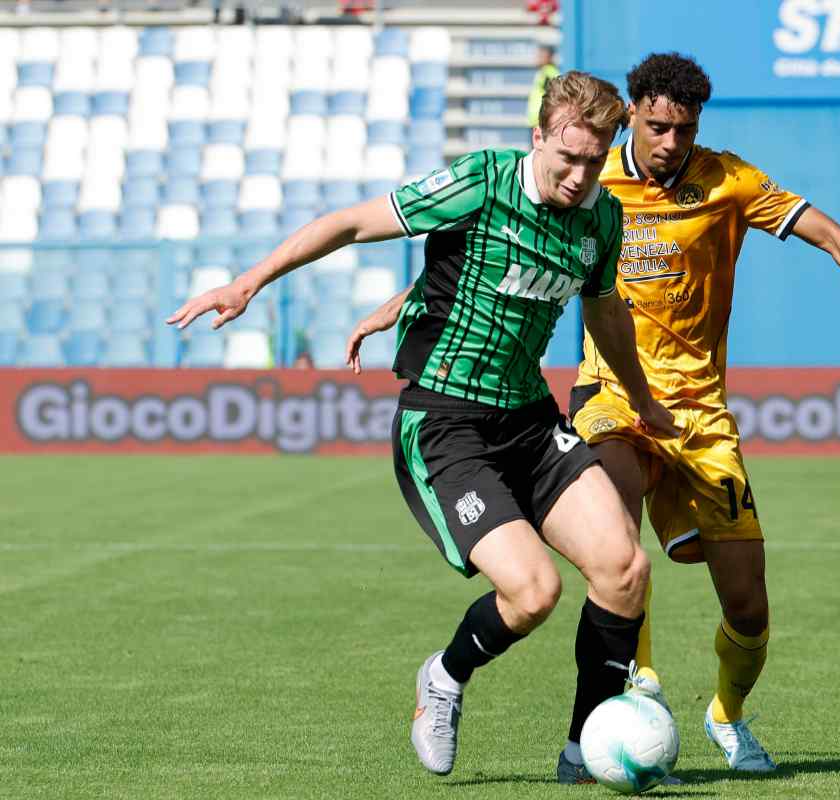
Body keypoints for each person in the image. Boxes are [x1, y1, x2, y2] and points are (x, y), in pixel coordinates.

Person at [169, 70, 678, 778]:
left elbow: (604, 312)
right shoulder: (482, 182)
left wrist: (642, 399)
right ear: (538, 137)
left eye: (595, 160)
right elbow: (349, 224)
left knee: (624, 569)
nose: (579, 175)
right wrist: (248, 283)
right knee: (533, 593)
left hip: (530, 419)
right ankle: (443, 677)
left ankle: (584, 749)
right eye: (567, 157)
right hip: (446, 423)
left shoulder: (603, 217)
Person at [564, 52, 840, 776]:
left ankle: (727, 715)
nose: (670, 143)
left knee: (748, 605)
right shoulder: (589, 179)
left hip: (700, 413)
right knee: (612, 529)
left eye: (684, 130)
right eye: (657, 127)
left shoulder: (729, 180)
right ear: (633, 114)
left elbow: (833, 234)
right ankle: (637, 676)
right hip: (611, 393)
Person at [527, 45, 560, 132]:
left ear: (550, 57)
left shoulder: (549, 74)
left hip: (542, 121)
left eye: (541, 56)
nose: (538, 58)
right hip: (537, 120)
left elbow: (554, 98)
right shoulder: (543, 72)